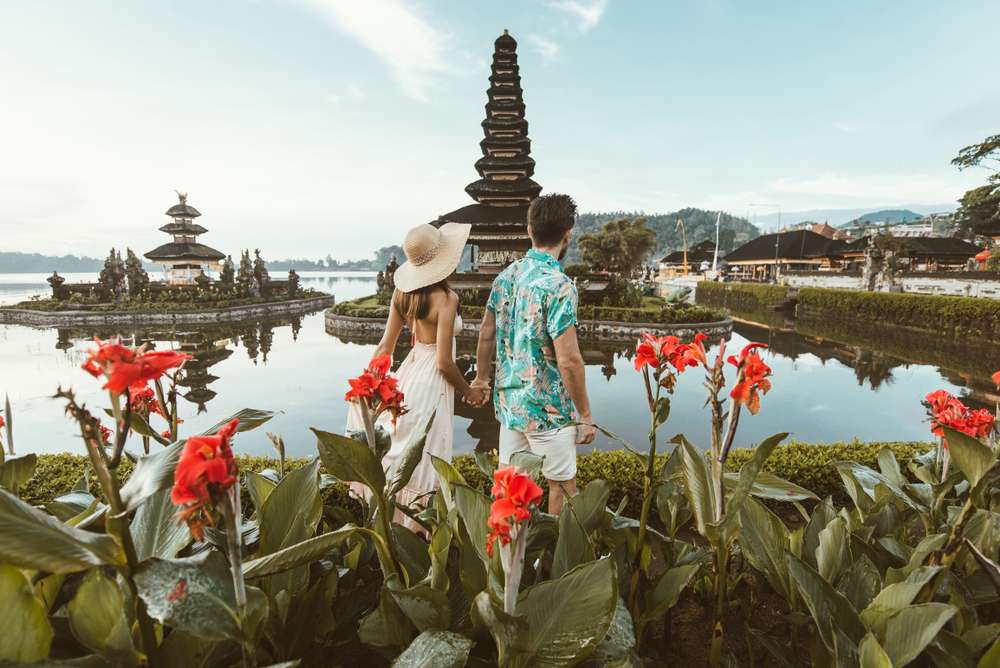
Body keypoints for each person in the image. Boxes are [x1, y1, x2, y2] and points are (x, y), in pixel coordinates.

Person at [346, 222, 487, 521]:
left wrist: (370, 384)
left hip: (409, 372)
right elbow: (444, 362)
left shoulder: (402, 294)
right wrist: (469, 392)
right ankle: (419, 531)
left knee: (401, 449)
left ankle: (386, 522)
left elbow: (385, 347)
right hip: (432, 382)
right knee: (425, 456)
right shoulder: (448, 299)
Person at [471, 193, 596, 514]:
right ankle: (554, 562)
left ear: (530, 230)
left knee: (510, 488)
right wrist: (584, 416)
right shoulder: (560, 285)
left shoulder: (506, 277)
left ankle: (509, 558)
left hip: (511, 406)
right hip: (549, 411)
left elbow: (486, 332)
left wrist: (482, 378)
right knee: (563, 486)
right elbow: (568, 360)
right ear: (568, 234)